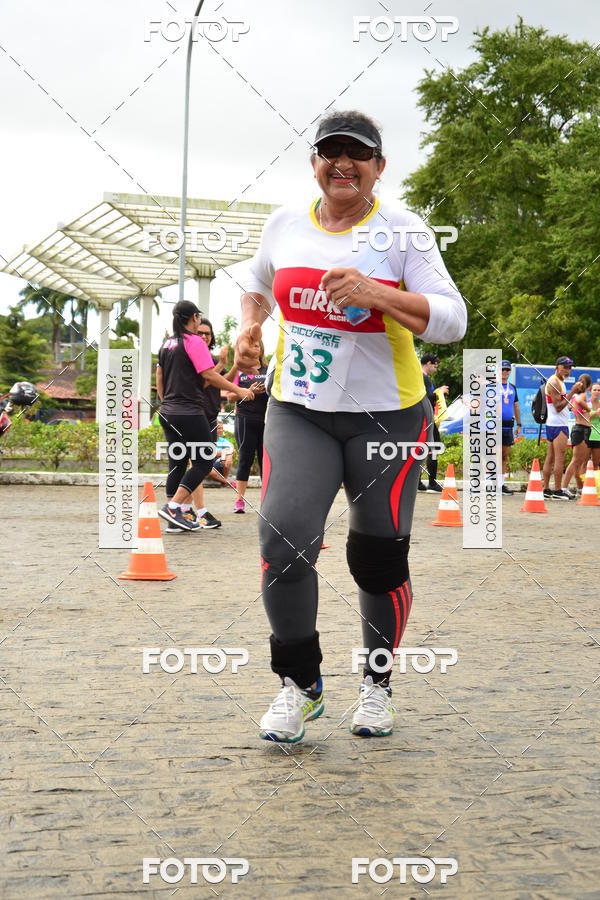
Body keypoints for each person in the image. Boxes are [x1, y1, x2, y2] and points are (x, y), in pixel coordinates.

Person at [233, 109, 467, 742]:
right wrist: (250, 324)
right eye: (328, 152)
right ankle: (299, 686)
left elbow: (452, 318)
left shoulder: (404, 231)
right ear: (313, 163)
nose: (342, 164)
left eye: (356, 154)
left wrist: (378, 294)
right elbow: (258, 282)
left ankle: (377, 682)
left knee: (377, 560)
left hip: (385, 417)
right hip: (299, 411)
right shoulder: (284, 223)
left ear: (378, 167)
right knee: (283, 542)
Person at [155, 300, 254, 532]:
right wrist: (239, 390)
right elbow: (208, 375)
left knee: (177, 462)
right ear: (194, 318)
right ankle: (173, 507)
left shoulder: (167, 344)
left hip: (167, 412)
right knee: (204, 460)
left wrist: (165, 401)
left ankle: (175, 521)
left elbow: (159, 375)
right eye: (198, 318)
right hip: (189, 412)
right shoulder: (194, 342)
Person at [189, 317, 238, 529]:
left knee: (202, 465)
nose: (204, 336)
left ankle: (182, 509)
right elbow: (206, 380)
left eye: (207, 333)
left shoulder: (209, 357)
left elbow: (223, 382)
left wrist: (234, 365)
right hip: (195, 416)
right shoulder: (191, 356)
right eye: (200, 332)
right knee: (198, 465)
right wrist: (220, 365)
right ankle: (195, 511)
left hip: (209, 416)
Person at [227, 341, 268, 513]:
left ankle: (267, 503)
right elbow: (229, 396)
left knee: (266, 461)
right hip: (245, 419)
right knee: (245, 459)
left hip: (266, 420)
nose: (254, 348)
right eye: (251, 346)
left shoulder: (269, 369)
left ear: (261, 349)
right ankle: (239, 500)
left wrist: (267, 389)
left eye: (257, 345)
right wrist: (246, 391)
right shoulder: (240, 371)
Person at [542, 356, 582, 500]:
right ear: (557, 366)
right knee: (559, 458)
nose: (567, 370)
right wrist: (573, 391)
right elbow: (558, 407)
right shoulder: (554, 382)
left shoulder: (558, 381)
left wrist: (569, 406)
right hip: (558, 425)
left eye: (570, 367)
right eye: (565, 367)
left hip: (554, 422)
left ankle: (546, 489)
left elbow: (558, 405)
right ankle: (558, 491)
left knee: (550, 457)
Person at [419, 352, 447, 492]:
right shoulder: (424, 379)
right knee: (434, 448)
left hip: (422, 418)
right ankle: (432, 482)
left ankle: (417, 482)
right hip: (426, 418)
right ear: (428, 364)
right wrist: (439, 392)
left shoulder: (421, 378)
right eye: (435, 366)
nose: (436, 369)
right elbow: (428, 398)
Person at [563, 374, 592, 493]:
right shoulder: (582, 396)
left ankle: (580, 488)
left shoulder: (575, 396)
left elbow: (570, 406)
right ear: (589, 385)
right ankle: (564, 487)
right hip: (582, 429)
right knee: (576, 461)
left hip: (577, 429)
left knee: (578, 462)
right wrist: (589, 409)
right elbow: (580, 402)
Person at [500, 360, 521, 495]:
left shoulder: (512, 387)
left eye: (507, 370)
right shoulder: (491, 386)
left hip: (508, 425)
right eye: (502, 369)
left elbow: (516, 406)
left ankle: (501, 485)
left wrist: (519, 424)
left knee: (504, 456)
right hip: (494, 425)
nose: (505, 372)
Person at [587, 383, 600, 470]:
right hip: (586, 434)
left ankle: (596, 483)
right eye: (594, 390)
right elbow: (583, 418)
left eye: (599, 390)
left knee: (596, 463)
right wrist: (596, 413)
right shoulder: (586, 403)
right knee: (584, 462)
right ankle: (583, 483)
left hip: (597, 436)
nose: (597, 392)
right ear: (590, 391)